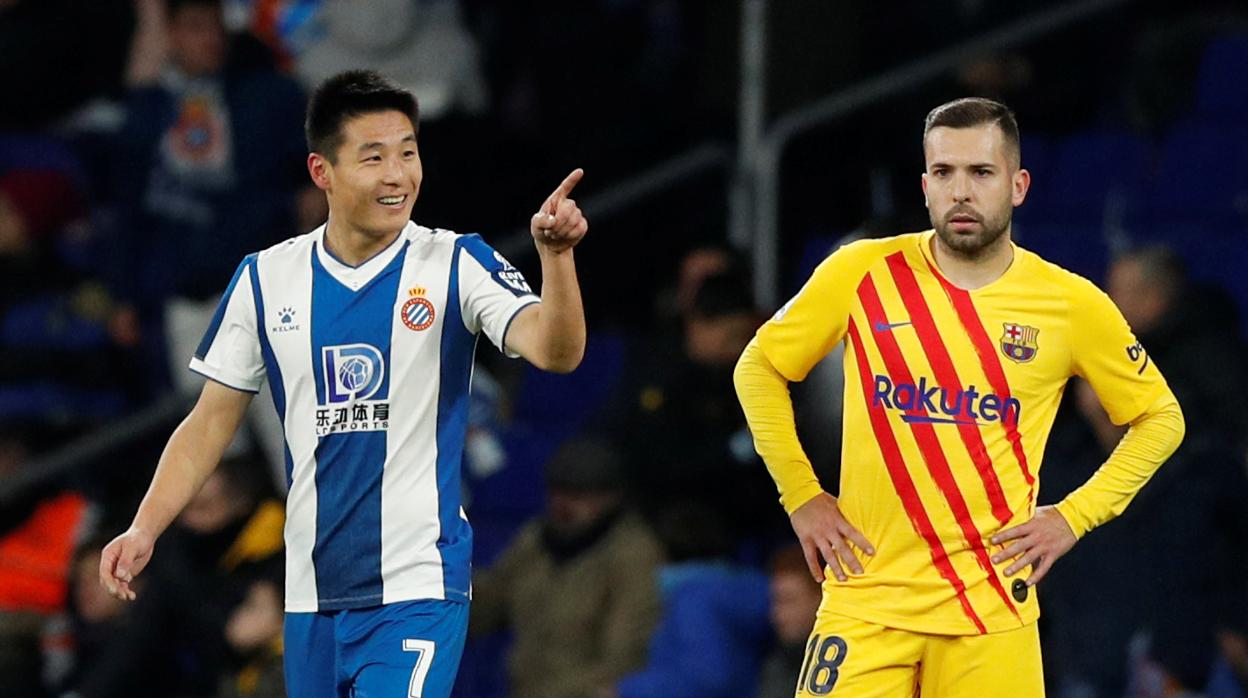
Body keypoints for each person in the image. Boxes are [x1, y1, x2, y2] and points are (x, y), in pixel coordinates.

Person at [98, 69, 589, 698]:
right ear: (321, 171)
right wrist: (144, 527)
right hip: (309, 596)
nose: (398, 175)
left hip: (416, 587)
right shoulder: (265, 279)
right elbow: (208, 424)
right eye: (374, 156)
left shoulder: (456, 262)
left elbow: (556, 352)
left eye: (409, 153)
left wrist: (556, 260)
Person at [733, 97, 1185, 697]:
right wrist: (802, 495)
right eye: (944, 173)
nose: (961, 192)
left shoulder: (1070, 304)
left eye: (981, 172)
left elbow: (1161, 417)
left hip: (989, 618)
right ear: (925, 186)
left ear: (1018, 185)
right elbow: (758, 365)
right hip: (867, 603)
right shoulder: (862, 272)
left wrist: (1072, 517)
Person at [469, 437, 662, 698]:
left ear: (611, 497)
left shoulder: (633, 555)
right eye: (558, 492)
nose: (564, 504)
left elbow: (625, 660)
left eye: (579, 495)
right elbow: (488, 603)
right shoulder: (537, 539)